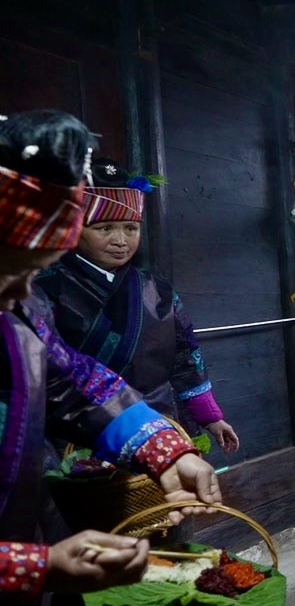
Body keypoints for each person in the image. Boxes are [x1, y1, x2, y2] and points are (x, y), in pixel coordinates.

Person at [0, 109, 222, 606]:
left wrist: (164, 448)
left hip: (26, 516)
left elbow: (70, 380)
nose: (25, 296)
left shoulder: (20, 309)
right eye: (14, 273)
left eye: (37, 273)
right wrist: (31, 566)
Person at [35, 157, 239, 452]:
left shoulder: (157, 289)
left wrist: (210, 416)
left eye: (131, 228)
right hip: (80, 435)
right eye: (105, 228)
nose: (121, 240)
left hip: (159, 423)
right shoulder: (46, 288)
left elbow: (185, 354)